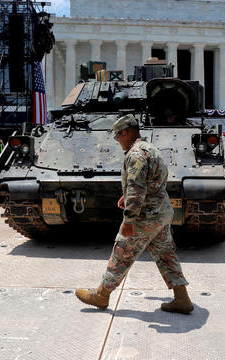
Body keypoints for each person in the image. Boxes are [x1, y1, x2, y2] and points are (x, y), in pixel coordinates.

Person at [75, 114, 193, 314]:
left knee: (122, 253)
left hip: (145, 217)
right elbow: (153, 182)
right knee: (166, 255)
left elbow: (136, 187)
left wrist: (129, 219)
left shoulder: (135, 155)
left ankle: (101, 296)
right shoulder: (151, 148)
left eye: (118, 136)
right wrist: (126, 196)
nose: (118, 140)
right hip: (162, 213)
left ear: (127, 132)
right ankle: (182, 298)